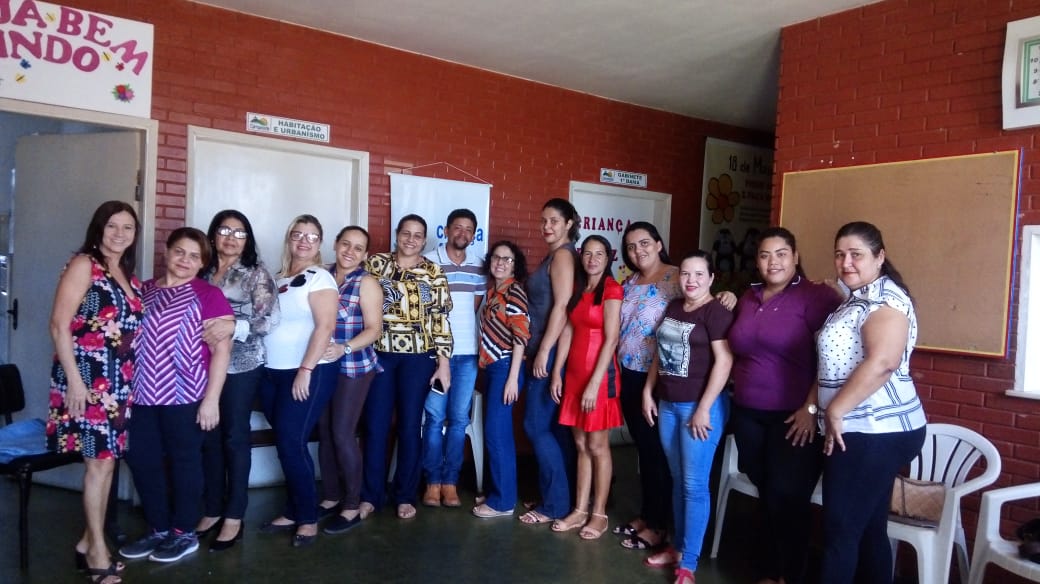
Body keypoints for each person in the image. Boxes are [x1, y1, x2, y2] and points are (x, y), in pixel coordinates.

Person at [727, 226, 841, 584]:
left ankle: (789, 575)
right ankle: (770, 571)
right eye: (764, 255)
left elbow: (833, 358)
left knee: (787, 496)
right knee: (767, 491)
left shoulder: (816, 296)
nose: (772, 261)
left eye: (780, 254)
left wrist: (810, 408)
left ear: (796, 258)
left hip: (793, 417)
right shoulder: (749, 296)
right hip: (747, 413)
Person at [817, 221, 926, 584]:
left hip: (873, 430)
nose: (846, 262)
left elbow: (883, 361)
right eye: (840, 254)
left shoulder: (885, 299)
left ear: (879, 257)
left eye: (856, 254)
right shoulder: (859, 296)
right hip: (865, 429)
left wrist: (835, 410)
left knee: (839, 533)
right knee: (867, 529)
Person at [119, 228, 233, 564]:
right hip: (141, 394)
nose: (185, 260)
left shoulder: (207, 295)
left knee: (185, 463)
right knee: (143, 461)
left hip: (186, 395)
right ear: (167, 252)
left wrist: (211, 400)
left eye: (195, 256)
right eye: (180, 252)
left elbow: (222, 351)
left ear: (202, 264)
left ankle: (183, 533)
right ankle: (157, 529)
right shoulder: (144, 291)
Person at [48, 201, 143, 584]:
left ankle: (89, 542)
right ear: (98, 228)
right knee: (97, 464)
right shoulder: (84, 264)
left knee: (106, 464)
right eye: (111, 226)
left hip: (118, 382)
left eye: (128, 227)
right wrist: (74, 381)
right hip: (86, 379)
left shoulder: (127, 274)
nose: (119, 234)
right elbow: (58, 325)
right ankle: (97, 552)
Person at [642, 251, 734, 584]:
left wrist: (705, 407)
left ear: (711, 278)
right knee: (678, 480)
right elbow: (660, 352)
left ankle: (689, 564)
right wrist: (648, 390)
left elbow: (724, 362)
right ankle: (677, 547)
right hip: (668, 404)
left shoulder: (717, 312)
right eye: (685, 274)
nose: (691, 280)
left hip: (699, 409)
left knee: (695, 486)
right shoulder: (675, 307)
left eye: (698, 274)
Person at [196, 210, 280, 551]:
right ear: (213, 234)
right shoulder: (200, 270)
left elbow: (271, 319)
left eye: (239, 232)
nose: (231, 237)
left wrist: (235, 326)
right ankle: (213, 509)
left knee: (233, 436)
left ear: (247, 239)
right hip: (199, 367)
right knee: (208, 437)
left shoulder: (256, 273)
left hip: (241, 366)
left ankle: (234, 515)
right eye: (224, 230)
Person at [362, 214, 453, 520]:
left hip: (418, 357)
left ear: (424, 240)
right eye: (406, 233)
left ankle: (404, 495)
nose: (411, 239)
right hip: (380, 354)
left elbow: (440, 319)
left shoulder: (433, 272)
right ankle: (371, 495)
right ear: (397, 235)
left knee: (410, 426)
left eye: (417, 235)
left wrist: (444, 364)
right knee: (375, 425)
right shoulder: (376, 265)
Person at [256, 215, 339, 547]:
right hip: (270, 373)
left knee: (291, 441)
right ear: (288, 238)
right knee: (286, 443)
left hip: (305, 372)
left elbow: (325, 327)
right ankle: (294, 509)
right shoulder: (275, 280)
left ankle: (307, 517)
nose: (304, 241)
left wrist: (305, 369)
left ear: (320, 243)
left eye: (313, 236)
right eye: (298, 234)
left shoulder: (320, 278)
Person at [549, 235, 623, 540]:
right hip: (575, 377)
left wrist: (595, 384)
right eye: (588, 253)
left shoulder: (612, 289)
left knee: (597, 446)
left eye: (599, 254)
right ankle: (579, 510)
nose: (592, 259)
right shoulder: (580, 289)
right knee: (580, 446)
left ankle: (599, 514)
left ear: (609, 258)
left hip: (599, 377)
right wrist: (557, 372)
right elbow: (568, 330)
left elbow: (612, 338)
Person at [613, 221, 680, 551]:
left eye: (643, 243)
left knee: (657, 453)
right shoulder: (630, 282)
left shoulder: (677, 277)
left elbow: (707, 302)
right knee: (644, 449)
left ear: (657, 243)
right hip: (627, 372)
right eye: (630, 247)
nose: (637, 250)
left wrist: (725, 296)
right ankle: (646, 514)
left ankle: (659, 526)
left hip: (658, 376)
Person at [316, 226, 383, 534]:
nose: (350, 251)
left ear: (365, 254)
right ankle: (331, 496)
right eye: (346, 244)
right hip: (322, 366)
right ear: (335, 244)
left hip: (354, 366)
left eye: (358, 248)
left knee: (343, 433)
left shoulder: (366, 283)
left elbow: (374, 329)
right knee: (325, 432)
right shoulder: (322, 276)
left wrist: (344, 347)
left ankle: (352, 505)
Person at [518, 197, 579, 525]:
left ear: (569, 223)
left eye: (554, 221)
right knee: (554, 429)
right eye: (543, 221)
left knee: (536, 425)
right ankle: (557, 497)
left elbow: (562, 307)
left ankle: (555, 505)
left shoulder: (563, 257)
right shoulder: (556, 255)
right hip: (546, 346)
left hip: (550, 349)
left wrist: (543, 350)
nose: (547, 227)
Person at [421, 209, 485, 508]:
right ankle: (432, 482)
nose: (462, 233)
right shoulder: (428, 262)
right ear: (445, 230)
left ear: (473, 234)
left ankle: (450, 482)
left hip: (467, 356)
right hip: (435, 355)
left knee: (459, 420)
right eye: (457, 227)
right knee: (434, 418)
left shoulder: (480, 266)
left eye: (468, 229)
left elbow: (472, 308)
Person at [472, 241, 531, 518]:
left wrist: (512, 378)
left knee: (498, 436)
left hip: (507, 367)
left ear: (515, 264)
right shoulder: (495, 290)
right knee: (495, 432)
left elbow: (521, 336)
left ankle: (503, 502)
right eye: (496, 257)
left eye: (507, 259)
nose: (500, 263)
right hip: (495, 367)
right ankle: (499, 490)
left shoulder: (514, 291)